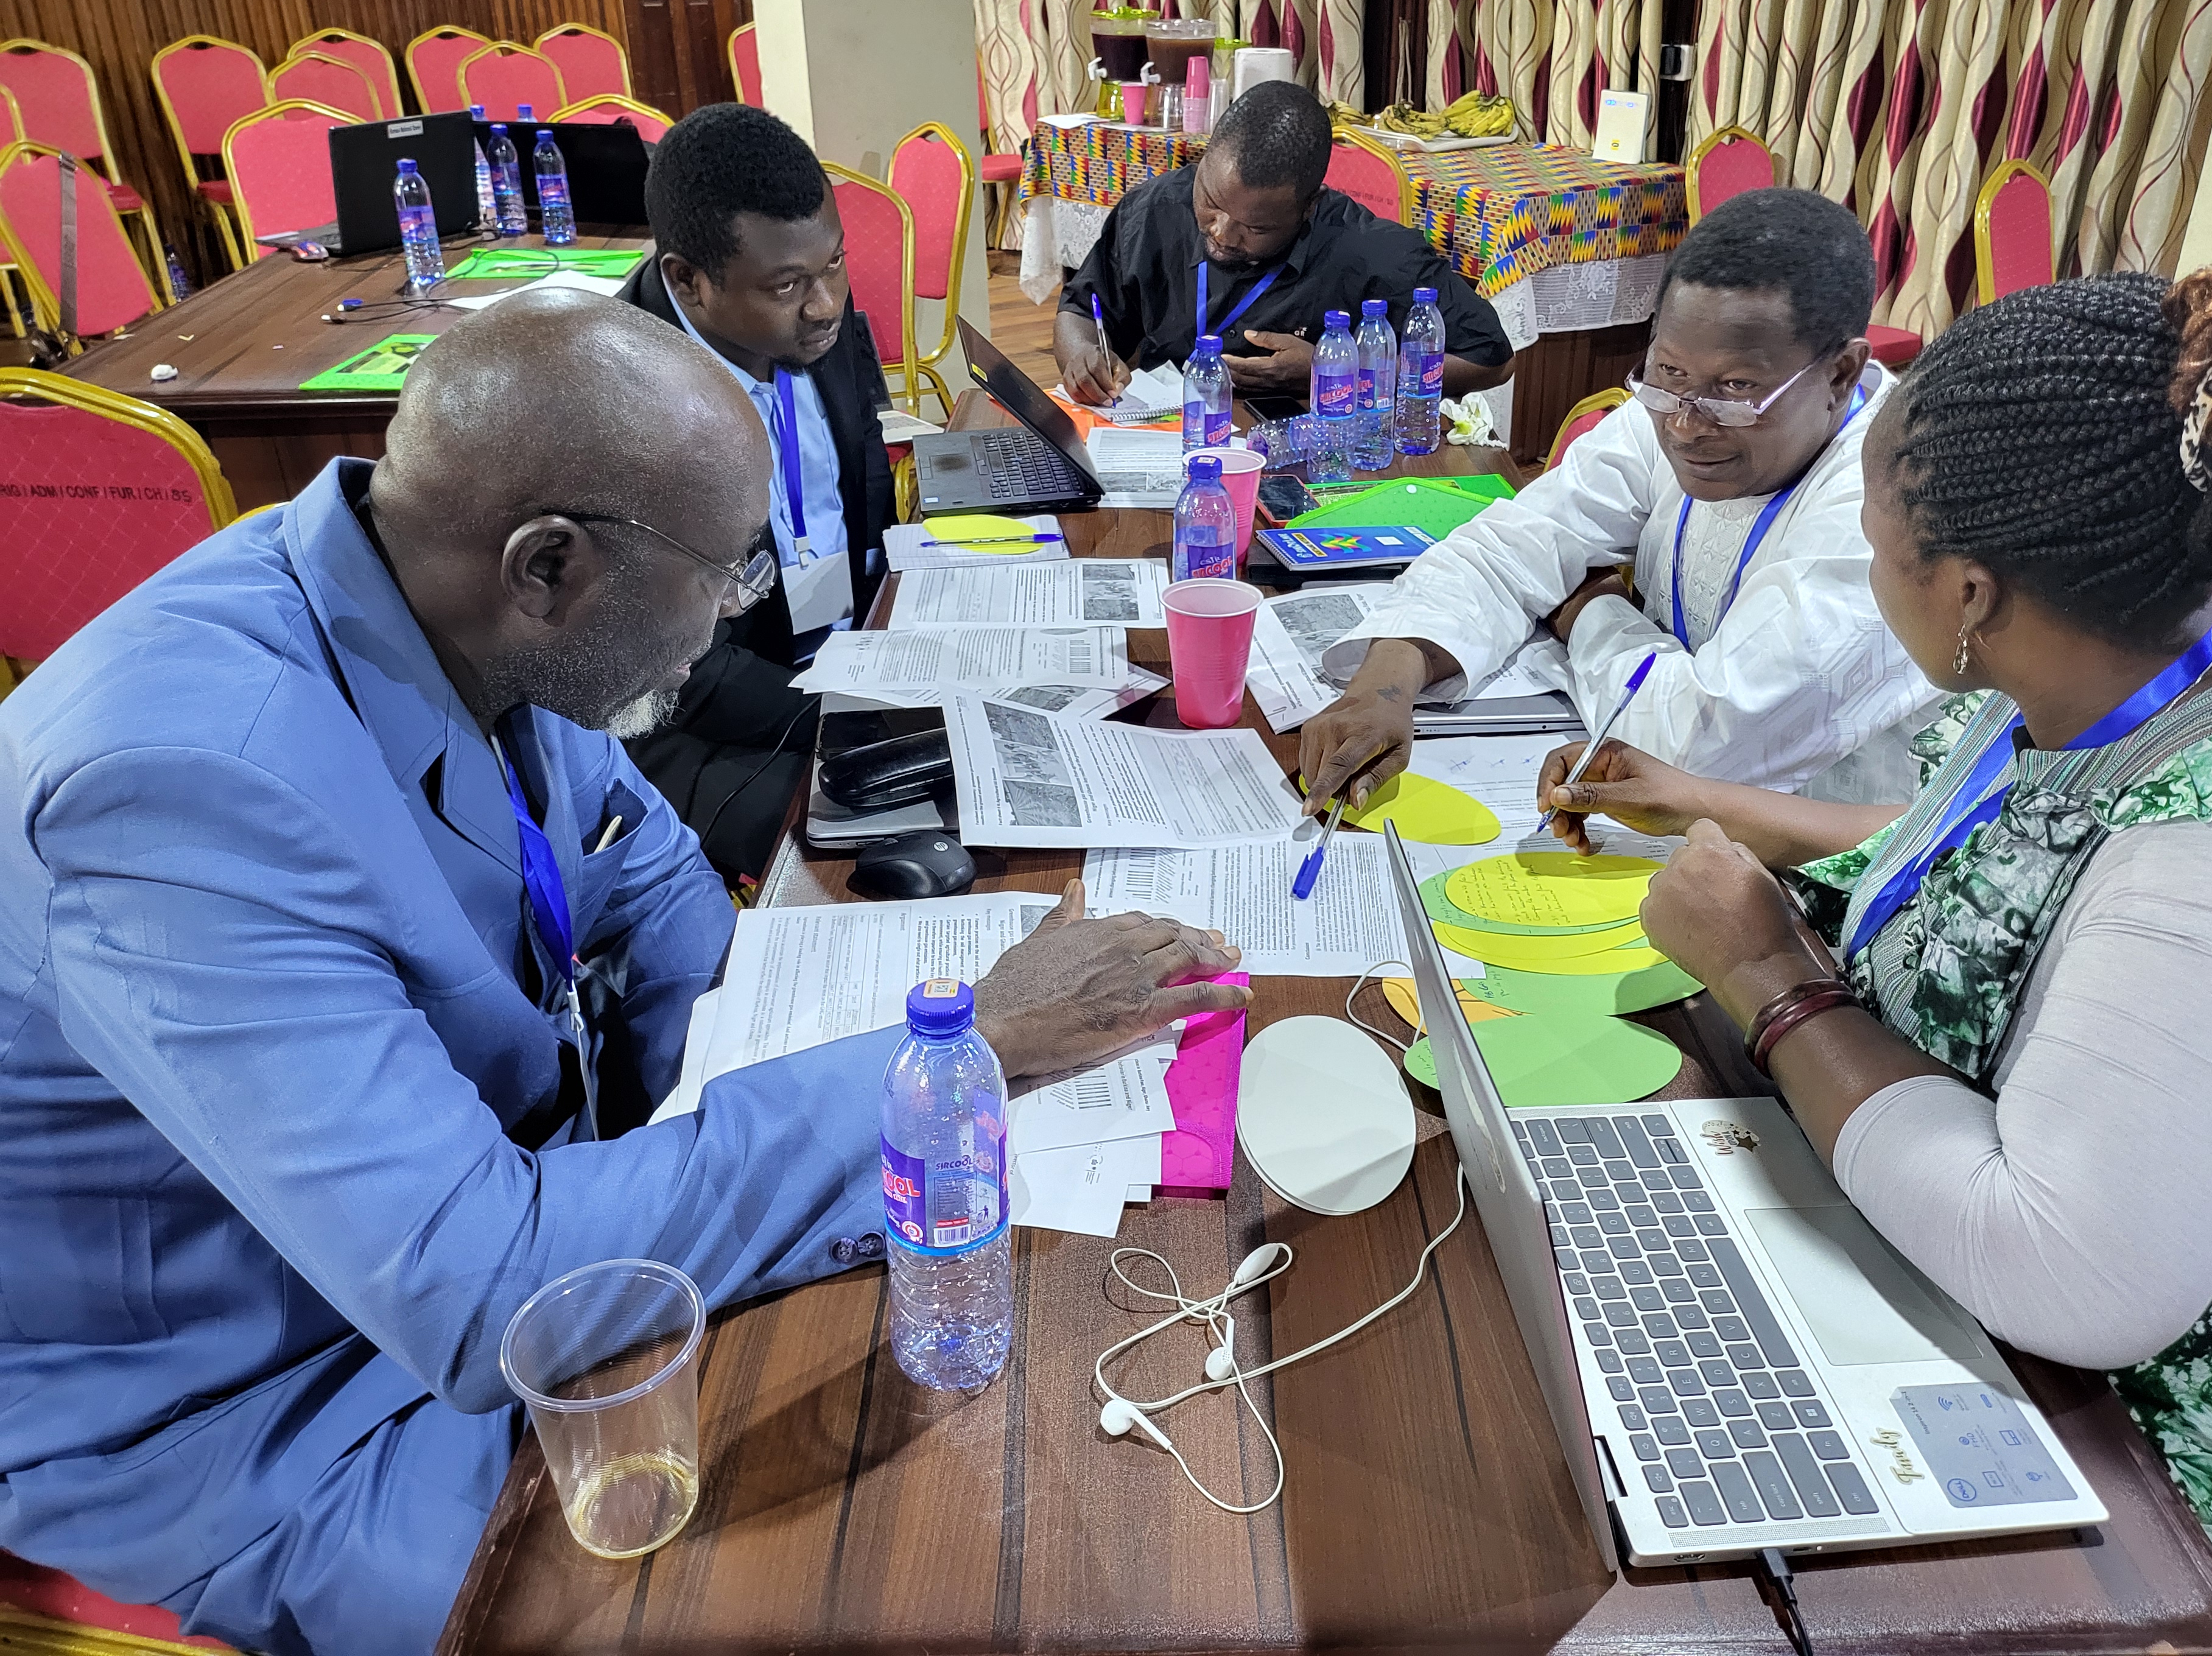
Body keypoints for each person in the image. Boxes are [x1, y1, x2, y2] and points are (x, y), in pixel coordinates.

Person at [0, 293, 1247, 1656]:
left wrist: (816, 1069)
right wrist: (963, 1052)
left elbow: (657, 894)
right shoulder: (186, 788)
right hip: (263, 1396)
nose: (730, 616)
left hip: (501, 1224)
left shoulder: (451, 605)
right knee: (812, 1596)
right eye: (724, 576)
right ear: (548, 566)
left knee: (938, 1401)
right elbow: (482, 1291)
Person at [1570, 246, 2212, 1621]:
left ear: (1968, 592)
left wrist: (1763, 971)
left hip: (2124, 1463)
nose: (1874, 573)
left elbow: (2073, 1277)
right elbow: (1998, 876)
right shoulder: (2118, 672)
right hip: (1944, 1275)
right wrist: (1704, 799)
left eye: (1877, 548)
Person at [1299, 188, 1938, 818]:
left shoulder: (1886, 510)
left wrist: (1589, 611)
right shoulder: (1678, 407)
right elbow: (1510, 544)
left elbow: (1698, 750)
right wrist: (1386, 682)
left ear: (1840, 375)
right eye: (1667, 372)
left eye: (1736, 388)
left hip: (1818, 855)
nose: (1684, 425)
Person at [615, 102, 894, 878]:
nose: (826, 303)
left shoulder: (806, 321)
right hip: (695, 729)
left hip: (841, 663)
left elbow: (864, 476)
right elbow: (682, 673)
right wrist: (859, 716)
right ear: (688, 280)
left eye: (834, 264)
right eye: (788, 284)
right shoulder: (622, 412)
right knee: (872, 855)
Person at [1055, 80, 1515, 409]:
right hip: (1162, 429)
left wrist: (1339, 370)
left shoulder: (1375, 254)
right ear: (1206, 158)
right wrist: (1081, 357)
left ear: (1309, 207)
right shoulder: (1154, 210)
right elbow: (1080, 310)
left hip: (1308, 450)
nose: (1221, 233)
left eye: (1255, 228)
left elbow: (1492, 361)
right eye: (1210, 203)